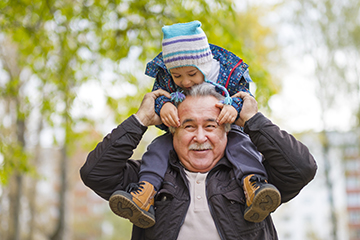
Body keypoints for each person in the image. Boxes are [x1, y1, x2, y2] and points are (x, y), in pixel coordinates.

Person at [80, 83, 317, 240]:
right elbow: (95, 174)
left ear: (227, 131)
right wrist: (140, 120)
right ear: (173, 132)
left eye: (211, 126)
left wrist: (253, 120)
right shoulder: (148, 178)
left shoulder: (254, 179)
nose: (200, 137)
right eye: (189, 126)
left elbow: (302, 168)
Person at [107, 20, 281, 228]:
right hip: (179, 130)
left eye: (192, 74)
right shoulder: (167, 78)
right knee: (157, 148)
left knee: (241, 145)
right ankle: (144, 193)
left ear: (204, 66)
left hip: (225, 127)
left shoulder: (225, 73)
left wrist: (233, 107)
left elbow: (244, 96)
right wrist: (164, 107)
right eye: (177, 76)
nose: (185, 82)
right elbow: (160, 96)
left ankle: (254, 186)